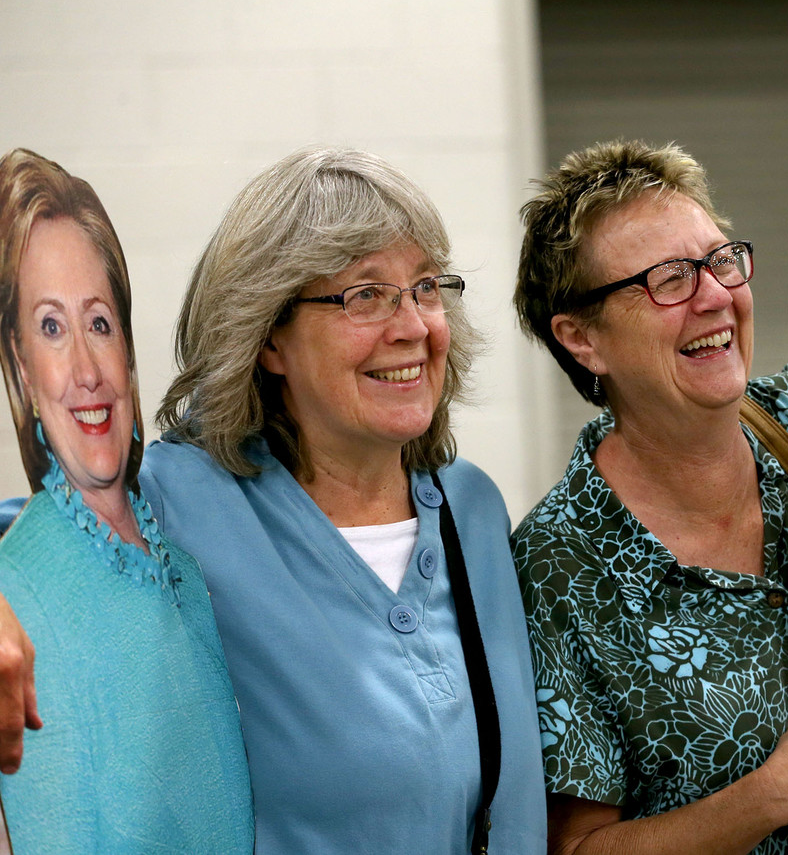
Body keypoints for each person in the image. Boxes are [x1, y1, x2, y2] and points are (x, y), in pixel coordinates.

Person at [2, 147, 546, 852]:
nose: (412, 324)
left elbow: (516, 810)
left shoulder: (471, 506)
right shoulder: (184, 496)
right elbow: (32, 538)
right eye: (366, 295)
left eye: (424, 287)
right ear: (270, 338)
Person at [512, 140, 788, 855]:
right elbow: (579, 848)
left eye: (720, 260)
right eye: (669, 278)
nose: (714, 295)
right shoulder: (559, 565)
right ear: (582, 338)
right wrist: (773, 796)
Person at [0, 148, 253, 851]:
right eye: (51, 327)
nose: (84, 369)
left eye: (99, 322)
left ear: (130, 351)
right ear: (21, 364)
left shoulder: (188, 579)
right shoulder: (11, 600)